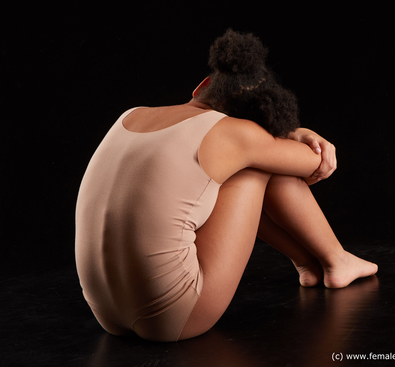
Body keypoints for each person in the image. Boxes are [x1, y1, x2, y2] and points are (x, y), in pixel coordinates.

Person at [75, 29, 378, 342]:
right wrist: (297, 132)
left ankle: (307, 263)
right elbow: (316, 162)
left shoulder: (131, 115)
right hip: (175, 317)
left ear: (202, 86)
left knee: (243, 164)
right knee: (259, 165)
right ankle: (336, 260)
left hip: (104, 313)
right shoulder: (236, 134)